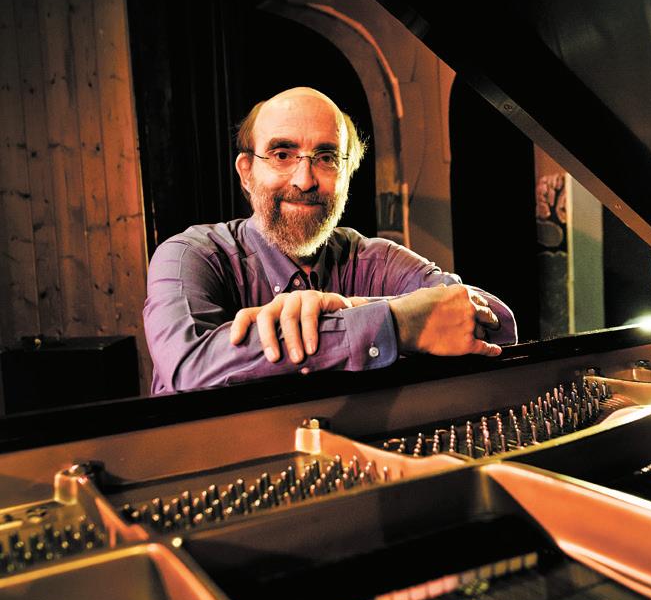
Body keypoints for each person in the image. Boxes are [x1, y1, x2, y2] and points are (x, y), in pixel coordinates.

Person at [144, 87, 517, 394]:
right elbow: (190, 368)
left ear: (348, 175)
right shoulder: (191, 255)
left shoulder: (375, 258)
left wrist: (350, 306)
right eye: (282, 154)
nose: (305, 180)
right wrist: (399, 323)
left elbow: (497, 324)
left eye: (326, 157)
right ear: (246, 172)